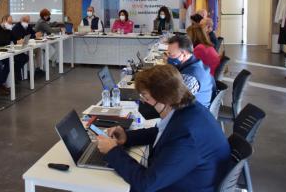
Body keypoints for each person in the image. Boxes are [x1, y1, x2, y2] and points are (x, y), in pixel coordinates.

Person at [96, 65, 230, 192]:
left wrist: (112, 152)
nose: (143, 101)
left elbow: (146, 184)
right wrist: (127, 137)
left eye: (146, 97)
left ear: (164, 99)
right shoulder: (188, 108)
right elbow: (163, 132)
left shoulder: (187, 136)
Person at [166, 34, 215, 108]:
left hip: (194, 115)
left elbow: (171, 101)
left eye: (171, 55)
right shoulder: (196, 63)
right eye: (168, 54)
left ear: (184, 54)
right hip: (195, 109)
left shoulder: (190, 77)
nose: (168, 58)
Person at [0, 15, 29, 82]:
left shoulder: (8, 29)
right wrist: (15, 41)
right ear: (4, 21)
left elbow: (13, 38)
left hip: (8, 50)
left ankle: (16, 75)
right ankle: (2, 82)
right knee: (10, 61)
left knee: (24, 57)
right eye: (9, 22)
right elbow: (2, 42)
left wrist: (19, 40)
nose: (11, 24)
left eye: (11, 23)